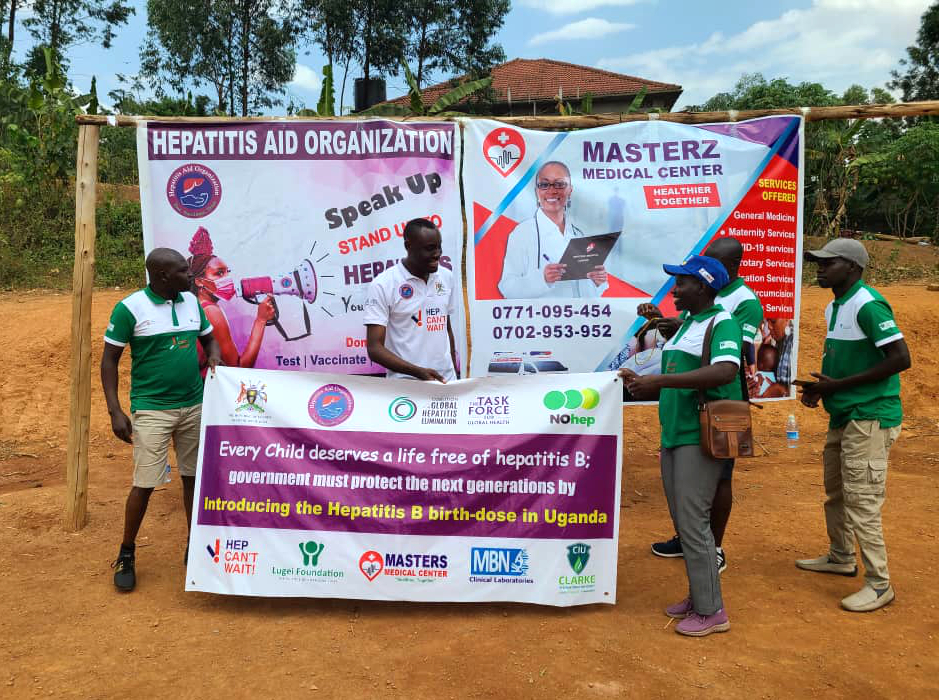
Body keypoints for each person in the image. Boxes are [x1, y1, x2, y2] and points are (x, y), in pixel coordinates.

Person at [620, 254, 741, 637]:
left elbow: (725, 370)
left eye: (683, 282)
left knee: (693, 522)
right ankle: (700, 594)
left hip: (699, 434)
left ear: (703, 286)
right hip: (675, 432)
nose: (676, 288)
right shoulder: (691, 322)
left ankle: (711, 612)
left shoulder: (723, 322)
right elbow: (675, 359)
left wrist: (658, 384)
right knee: (685, 521)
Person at [637, 237, 764, 575]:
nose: (678, 287)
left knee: (720, 478)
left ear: (730, 268)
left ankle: (714, 547)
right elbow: (693, 347)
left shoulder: (742, 303)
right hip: (690, 406)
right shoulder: (698, 307)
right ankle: (691, 541)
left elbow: (737, 356)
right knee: (688, 494)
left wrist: (660, 380)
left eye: (714, 261)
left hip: (722, 407)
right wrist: (672, 327)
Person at [797, 238, 910, 612]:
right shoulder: (834, 306)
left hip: (871, 415)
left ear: (853, 267)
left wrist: (838, 387)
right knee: (837, 491)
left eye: (829, 263)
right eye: (818, 262)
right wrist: (821, 389)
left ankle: (880, 584)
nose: (820, 268)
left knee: (862, 501)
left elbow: (900, 358)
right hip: (845, 413)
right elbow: (846, 361)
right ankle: (841, 556)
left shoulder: (868, 304)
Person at [102, 248, 220, 592]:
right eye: (184, 271)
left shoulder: (190, 303)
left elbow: (210, 340)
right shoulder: (130, 308)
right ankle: (127, 551)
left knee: (193, 480)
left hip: (194, 406)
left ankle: (194, 545)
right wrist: (115, 410)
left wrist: (214, 357)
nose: (191, 276)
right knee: (145, 483)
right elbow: (109, 361)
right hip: (152, 409)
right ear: (163, 276)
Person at [364, 218, 459, 382]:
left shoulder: (446, 277)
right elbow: (374, 348)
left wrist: (453, 372)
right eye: (430, 248)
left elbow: (446, 328)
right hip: (406, 384)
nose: (437, 253)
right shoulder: (383, 284)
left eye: (439, 246)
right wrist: (417, 372)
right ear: (408, 246)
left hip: (445, 381)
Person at [498, 161, 608, 299]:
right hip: (544, 319)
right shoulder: (522, 233)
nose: (552, 190)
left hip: (581, 319)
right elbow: (507, 288)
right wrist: (542, 279)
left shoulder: (579, 234)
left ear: (570, 190)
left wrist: (598, 281)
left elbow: (589, 293)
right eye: (544, 184)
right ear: (537, 191)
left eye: (560, 184)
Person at [187, 226, 275, 370]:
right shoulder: (210, 311)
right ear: (199, 281)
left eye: (227, 272)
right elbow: (238, 367)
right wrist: (261, 320)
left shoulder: (194, 305)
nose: (226, 278)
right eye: (219, 273)